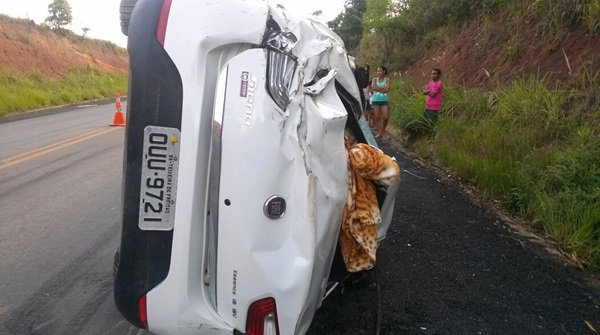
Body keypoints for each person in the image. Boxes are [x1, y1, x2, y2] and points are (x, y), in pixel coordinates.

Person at [371, 65, 391, 139]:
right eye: (378, 71)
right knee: (377, 117)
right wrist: (383, 88)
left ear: (384, 71)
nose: (379, 72)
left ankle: (382, 131)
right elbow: (373, 87)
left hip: (384, 100)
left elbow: (387, 89)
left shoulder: (387, 80)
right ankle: (380, 132)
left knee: (385, 117)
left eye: (380, 71)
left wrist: (378, 89)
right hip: (376, 100)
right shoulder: (374, 79)